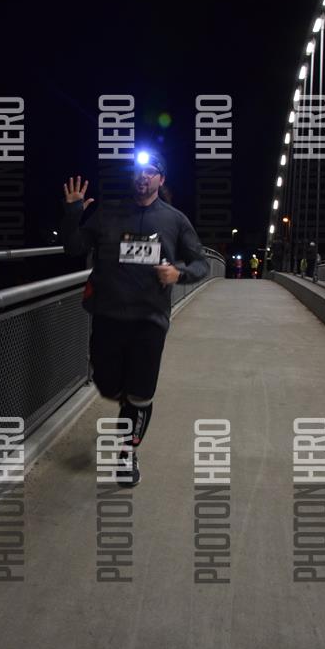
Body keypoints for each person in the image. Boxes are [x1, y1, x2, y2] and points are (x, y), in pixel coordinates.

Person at [61, 150, 209, 486]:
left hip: (149, 320)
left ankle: (127, 453)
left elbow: (201, 263)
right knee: (107, 384)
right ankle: (126, 402)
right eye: (138, 170)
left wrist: (179, 273)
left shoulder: (175, 220)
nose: (143, 176)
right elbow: (73, 247)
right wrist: (73, 212)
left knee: (140, 394)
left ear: (161, 179)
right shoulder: (108, 213)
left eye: (150, 171)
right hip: (108, 316)